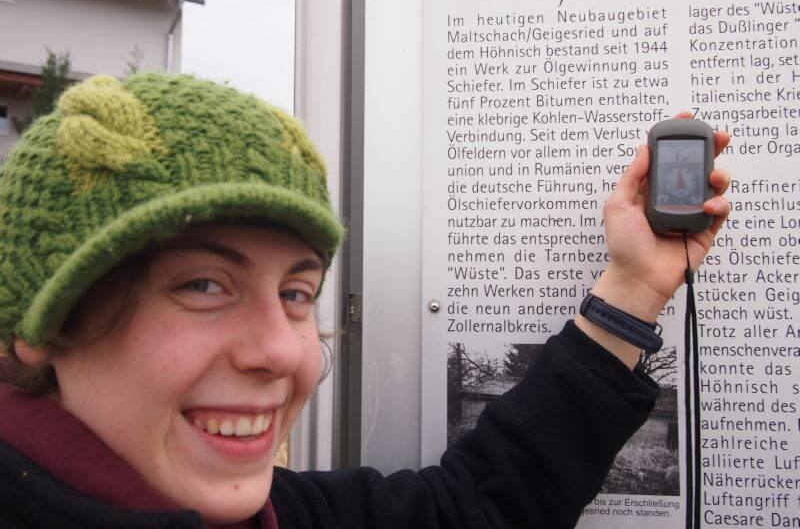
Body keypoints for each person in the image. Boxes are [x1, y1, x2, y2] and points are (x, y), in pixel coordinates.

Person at [0, 73, 731, 528]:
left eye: (296, 291)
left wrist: (633, 290)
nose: (287, 351)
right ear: (44, 322)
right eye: (203, 285)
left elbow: (481, 506)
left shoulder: (279, 512)